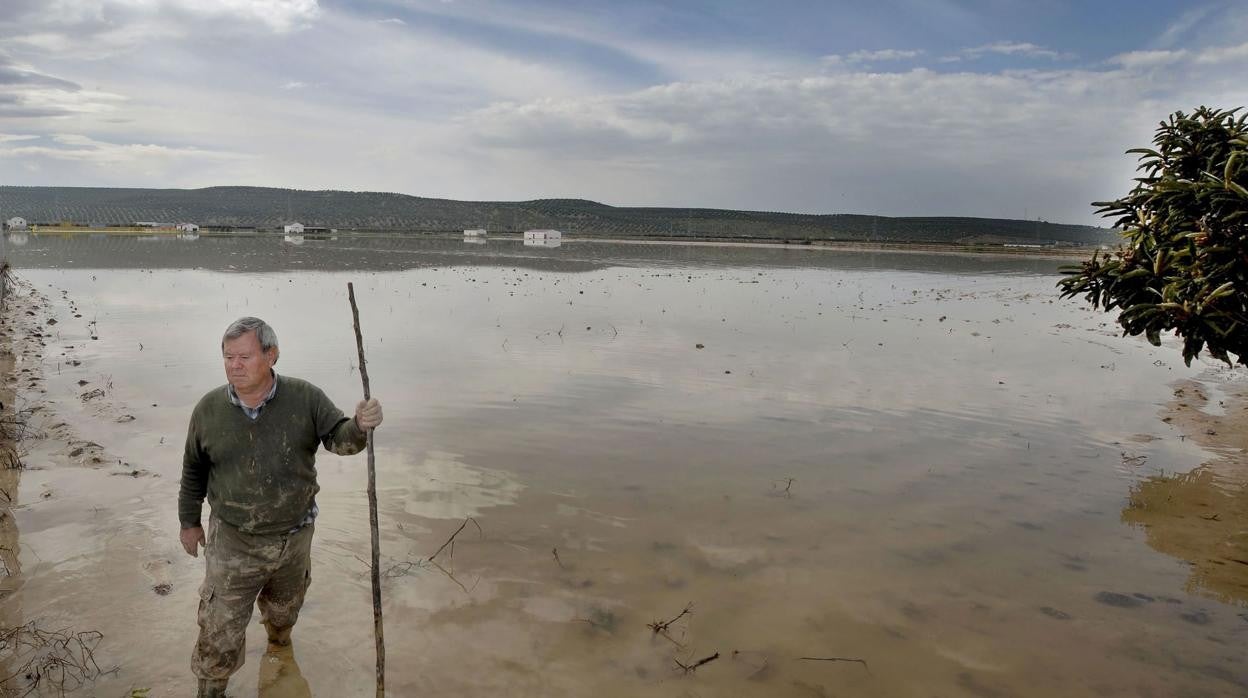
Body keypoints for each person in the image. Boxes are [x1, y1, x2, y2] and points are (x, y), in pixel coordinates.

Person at [178, 317, 383, 697]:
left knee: (283, 614)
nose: (235, 366)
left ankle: (278, 653)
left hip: (293, 538)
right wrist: (189, 522)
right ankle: (211, 691)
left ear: (271, 355)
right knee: (219, 631)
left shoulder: (305, 398)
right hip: (234, 541)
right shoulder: (208, 409)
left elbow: (341, 442)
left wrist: (359, 425)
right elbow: (193, 469)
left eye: (244, 357)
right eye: (228, 357)